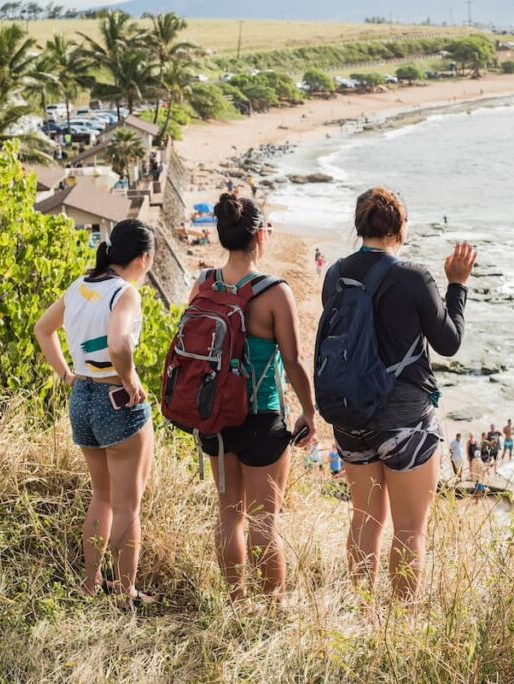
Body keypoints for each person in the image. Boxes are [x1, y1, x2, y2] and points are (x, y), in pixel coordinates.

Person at [324, 187, 476, 600]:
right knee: (409, 531)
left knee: (364, 521)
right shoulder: (413, 277)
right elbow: (448, 343)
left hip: (351, 416)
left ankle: (362, 615)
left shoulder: (335, 274)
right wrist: (457, 285)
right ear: (401, 228)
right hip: (405, 420)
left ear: (360, 226)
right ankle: (401, 625)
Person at [192, 193, 316, 600]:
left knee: (229, 515)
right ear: (260, 235)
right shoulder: (274, 292)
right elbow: (294, 362)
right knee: (266, 521)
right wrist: (310, 413)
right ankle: (273, 608)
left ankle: (236, 601)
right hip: (261, 415)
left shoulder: (203, 283)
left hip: (216, 416)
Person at [33, 219, 157, 610]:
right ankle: (124, 594)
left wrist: (67, 374)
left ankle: (90, 584)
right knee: (127, 506)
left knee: (101, 497)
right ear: (143, 259)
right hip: (115, 399)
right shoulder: (125, 293)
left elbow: (42, 329)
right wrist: (131, 378)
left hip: (82, 396)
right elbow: (120, 343)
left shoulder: (79, 287)